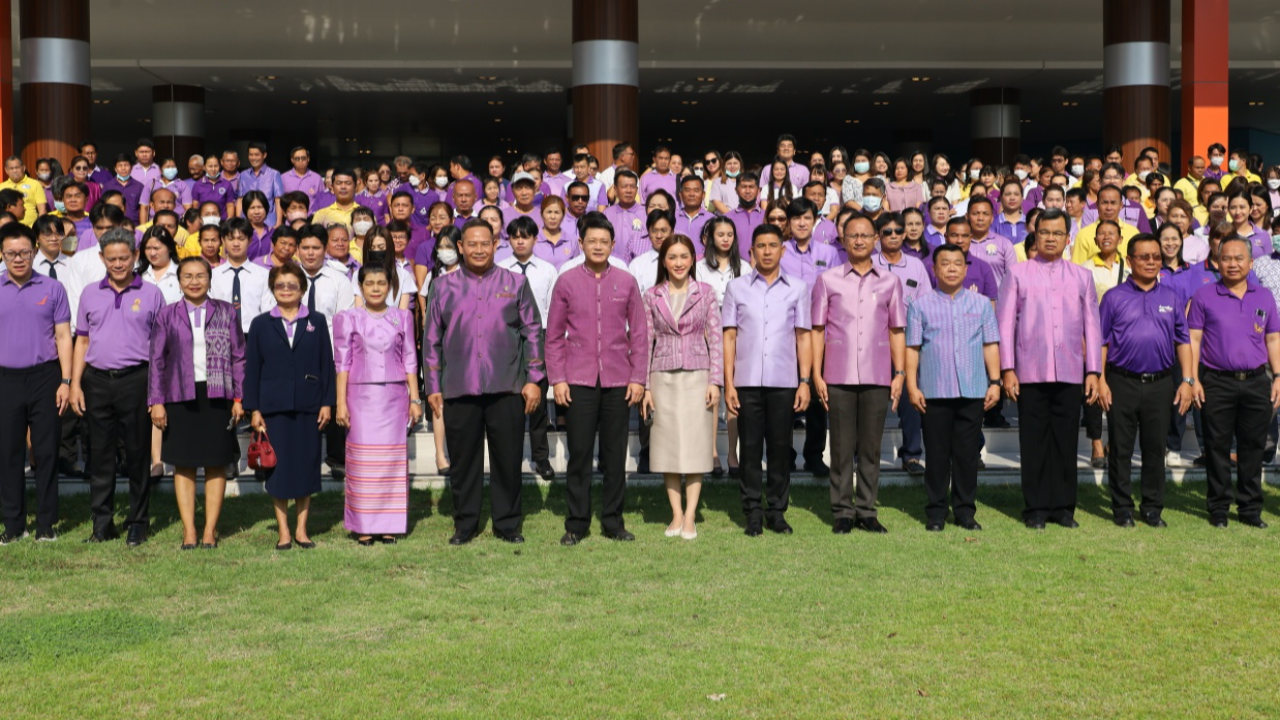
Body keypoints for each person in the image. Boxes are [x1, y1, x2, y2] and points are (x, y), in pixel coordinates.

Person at [424, 220, 544, 545]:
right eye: (471, 244)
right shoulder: (442, 286)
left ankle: (507, 524)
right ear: (460, 247)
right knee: (463, 461)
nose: (478, 249)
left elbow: (533, 332)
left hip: (507, 385)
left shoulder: (516, 283)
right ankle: (466, 524)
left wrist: (534, 378)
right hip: (459, 386)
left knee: (508, 459)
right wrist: (432, 385)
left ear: (495, 245)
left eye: (485, 243)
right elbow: (432, 338)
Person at [545, 213, 647, 545]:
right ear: (581, 243)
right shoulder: (567, 281)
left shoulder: (626, 281)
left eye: (604, 241)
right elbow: (554, 336)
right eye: (592, 241)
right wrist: (557, 379)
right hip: (578, 379)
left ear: (613, 244)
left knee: (615, 455)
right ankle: (576, 523)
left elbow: (641, 334)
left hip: (619, 380)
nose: (598, 246)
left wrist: (639, 378)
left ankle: (613, 521)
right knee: (579, 454)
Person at [997, 209, 1102, 530]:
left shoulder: (1082, 277)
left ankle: (1063, 508)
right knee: (1033, 442)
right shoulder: (1018, 274)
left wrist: (1094, 371)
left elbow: (1093, 328)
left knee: (1065, 441)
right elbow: (1004, 326)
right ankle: (1035, 509)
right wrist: (1007, 369)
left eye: (1058, 233)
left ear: (1068, 238)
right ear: (1036, 234)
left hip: (1071, 372)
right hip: (1029, 372)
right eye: (1045, 232)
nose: (1051, 238)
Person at [70, 228, 166, 545]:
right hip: (96, 381)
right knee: (99, 455)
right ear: (102, 258)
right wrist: (74, 384)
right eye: (111, 259)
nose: (118, 264)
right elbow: (81, 340)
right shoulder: (89, 293)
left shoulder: (152, 294)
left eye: (124, 258)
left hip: (137, 379)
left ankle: (138, 521)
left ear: (135, 256)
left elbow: (160, 346)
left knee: (137, 454)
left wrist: (156, 391)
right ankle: (102, 523)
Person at [812, 214, 906, 534]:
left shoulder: (890, 281)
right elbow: (817, 330)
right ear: (844, 239)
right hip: (837, 374)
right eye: (853, 235)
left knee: (870, 447)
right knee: (840, 447)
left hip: (877, 375)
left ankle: (866, 509)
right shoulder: (828, 280)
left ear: (876, 238)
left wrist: (900, 372)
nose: (860, 240)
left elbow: (896, 330)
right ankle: (841, 511)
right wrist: (816, 374)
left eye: (866, 235)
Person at [1096, 235, 1195, 528]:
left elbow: (1184, 341)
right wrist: (1100, 380)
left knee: (1155, 447)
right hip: (1121, 381)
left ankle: (1152, 507)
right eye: (1144, 257)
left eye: (1155, 257)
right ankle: (1122, 508)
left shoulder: (1171, 298)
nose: (1151, 262)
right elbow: (1101, 342)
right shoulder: (1113, 298)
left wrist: (1187, 379)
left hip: (1161, 383)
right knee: (1121, 447)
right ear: (1130, 261)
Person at [147, 257, 244, 549]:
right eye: (187, 276)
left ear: (210, 279)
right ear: (179, 281)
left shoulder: (226, 311)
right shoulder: (167, 314)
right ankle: (189, 530)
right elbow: (157, 360)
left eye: (200, 275)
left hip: (218, 395)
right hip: (179, 396)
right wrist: (156, 402)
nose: (194, 281)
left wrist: (239, 398)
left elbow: (239, 356)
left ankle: (210, 531)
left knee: (216, 464)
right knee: (184, 465)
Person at [722, 224, 812, 536]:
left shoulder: (798, 288)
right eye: (760, 246)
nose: (767, 251)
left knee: (779, 448)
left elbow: (803, 337)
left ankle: (777, 511)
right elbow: (729, 337)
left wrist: (805, 381)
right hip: (746, 382)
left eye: (773, 245)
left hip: (784, 381)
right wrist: (729, 383)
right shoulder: (737, 288)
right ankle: (752, 512)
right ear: (752, 251)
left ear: (782, 250)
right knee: (749, 449)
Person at [905, 242, 1001, 531]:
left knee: (966, 454)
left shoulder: (981, 304)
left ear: (965, 268)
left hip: (972, 390)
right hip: (934, 390)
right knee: (935, 454)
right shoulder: (920, 305)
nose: (950, 268)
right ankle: (935, 512)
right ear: (934, 269)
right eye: (944, 263)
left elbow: (990, 345)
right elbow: (912, 348)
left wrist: (995, 381)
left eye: (957, 263)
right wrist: (912, 384)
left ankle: (964, 511)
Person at [1187, 237, 1280, 529]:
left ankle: (1250, 507)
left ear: (1250, 263)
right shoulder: (1204, 295)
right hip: (1216, 381)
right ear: (1218, 261)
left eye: (1239, 258)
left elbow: (1274, 338)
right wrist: (1192, 378)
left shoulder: (1264, 296)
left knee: (1253, 446)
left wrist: (1278, 376)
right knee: (1217, 445)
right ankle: (1219, 508)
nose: (1233, 263)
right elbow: (1193, 339)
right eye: (1226, 258)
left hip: (1256, 381)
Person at [245, 263, 336, 550]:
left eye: (292, 285)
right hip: (273, 407)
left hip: (309, 406)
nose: (286, 290)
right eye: (280, 285)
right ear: (272, 289)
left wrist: (327, 402)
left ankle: (301, 529)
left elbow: (327, 364)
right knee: (278, 468)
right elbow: (253, 369)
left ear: (302, 289)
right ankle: (283, 531)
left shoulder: (317, 321)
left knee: (306, 467)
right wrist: (254, 409)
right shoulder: (260, 324)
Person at [640, 234, 723, 540]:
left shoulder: (706, 292)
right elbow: (645, 342)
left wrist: (716, 380)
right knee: (667, 447)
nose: (678, 263)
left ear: (693, 259)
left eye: (684, 256)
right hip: (662, 376)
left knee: (696, 446)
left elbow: (715, 338)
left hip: (697, 375)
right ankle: (675, 513)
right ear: (664, 261)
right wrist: (645, 386)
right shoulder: (651, 295)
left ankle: (691, 515)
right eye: (672, 257)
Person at [334, 265, 422, 545]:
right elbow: (342, 363)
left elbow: (410, 358)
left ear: (390, 287)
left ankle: (389, 525)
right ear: (359, 286)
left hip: (394, 397)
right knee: (362, 462)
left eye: (381, 283)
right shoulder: (348, 318)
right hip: (359, 398)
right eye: (369, 283)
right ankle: (363, 525)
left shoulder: (403, 317)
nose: (375, 288)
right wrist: (340, 402)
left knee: (391, 461)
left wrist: (415, 397)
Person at [0, 223, 72, 543]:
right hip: (6, 379)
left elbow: (63, 336)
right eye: (11, 253)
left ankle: (46, 525)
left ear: (34, 252)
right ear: (2, 255)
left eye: (25, 253)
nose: (19, 259)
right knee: (8, 454)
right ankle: (13, 525)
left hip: (46, 377)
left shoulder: (52, 288)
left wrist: (66, 380)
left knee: (45, 453)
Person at [496, 216, 556, 479]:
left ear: (535, 238)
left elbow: (552, 310)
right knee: (510, 403)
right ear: (508, 239)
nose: (520, 240)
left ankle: (541, 458)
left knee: (538, 403)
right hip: (507, 338)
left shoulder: (547, 270)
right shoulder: (499, 269)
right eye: (515, 236)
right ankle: (510, 459)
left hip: (538, 336)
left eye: (526, 236)